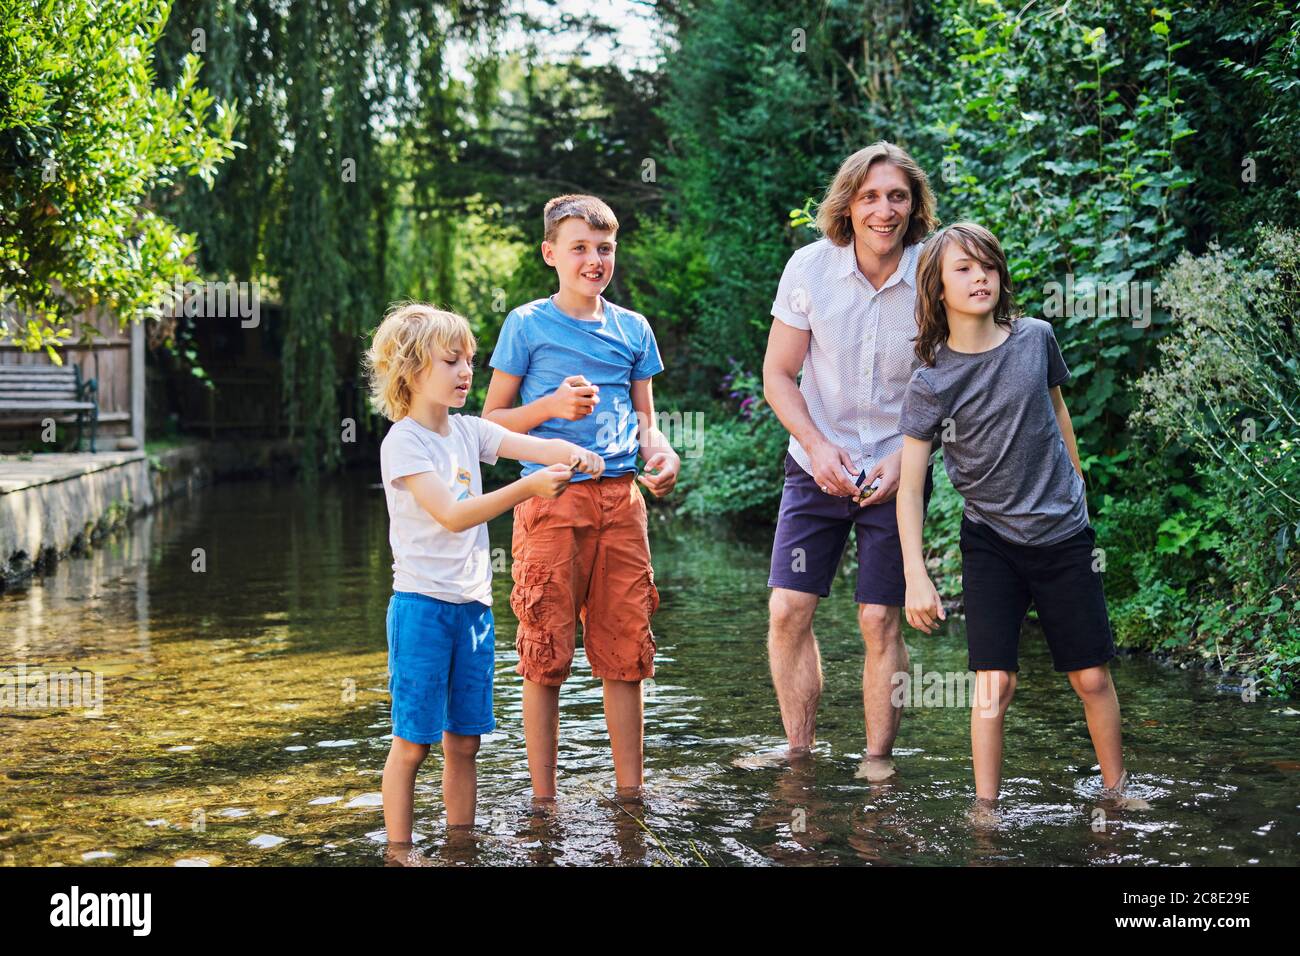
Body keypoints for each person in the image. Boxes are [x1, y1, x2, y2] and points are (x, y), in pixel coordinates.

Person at [895, 221, 1131, 808]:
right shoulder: (932, 382)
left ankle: (1118, 792)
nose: (980, 278)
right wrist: (916, 575)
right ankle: (986, 812)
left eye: (988, 267)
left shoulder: (1035, 338)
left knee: (1091, 677)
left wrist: (1075, 475)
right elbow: (909, 484)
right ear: (937, 289)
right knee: (993, 685)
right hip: (991, 541)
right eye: (964, 269)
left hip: (1064, 535)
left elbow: (1058, 407)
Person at [365, 301, 603, 849]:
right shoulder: (404, 442)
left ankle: (460, 845)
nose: (466, 371)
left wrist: (573, 453)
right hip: (422, 610)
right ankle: (400, 853)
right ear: (411, 368)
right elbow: (451, 515)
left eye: (469, 360)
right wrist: (527, 488)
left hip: (473, 611)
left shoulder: (469, 431)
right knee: (413, 744)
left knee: (465, 744)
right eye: (451, 361)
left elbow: (535, 446)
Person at [483, 194, 680, 803]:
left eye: (604, 249)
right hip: (550, 501)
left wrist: (661, 452)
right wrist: (549, 409)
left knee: (627, 652)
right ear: (550, 254)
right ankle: (545, 803)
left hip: (622, 505)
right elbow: (490, 423)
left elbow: (646, 420)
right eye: (580, 248)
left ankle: (631, 798)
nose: (594, 260)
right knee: (545, 653)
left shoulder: (633, 329)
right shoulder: (525, 324)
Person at [760, 142, 938, 779]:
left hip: (899, 469)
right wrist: (815, 444)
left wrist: (907, 458)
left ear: (914, 206)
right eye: (870, 197)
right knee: (788, 609)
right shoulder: (808, 270)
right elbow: (779, 374)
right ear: (848, 204)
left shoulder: (933, 271)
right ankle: (799, 754)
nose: (884, 210)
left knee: (877, 617)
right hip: (817, 462)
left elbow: (957, 378)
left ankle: (876, 763)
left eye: (897, 196)